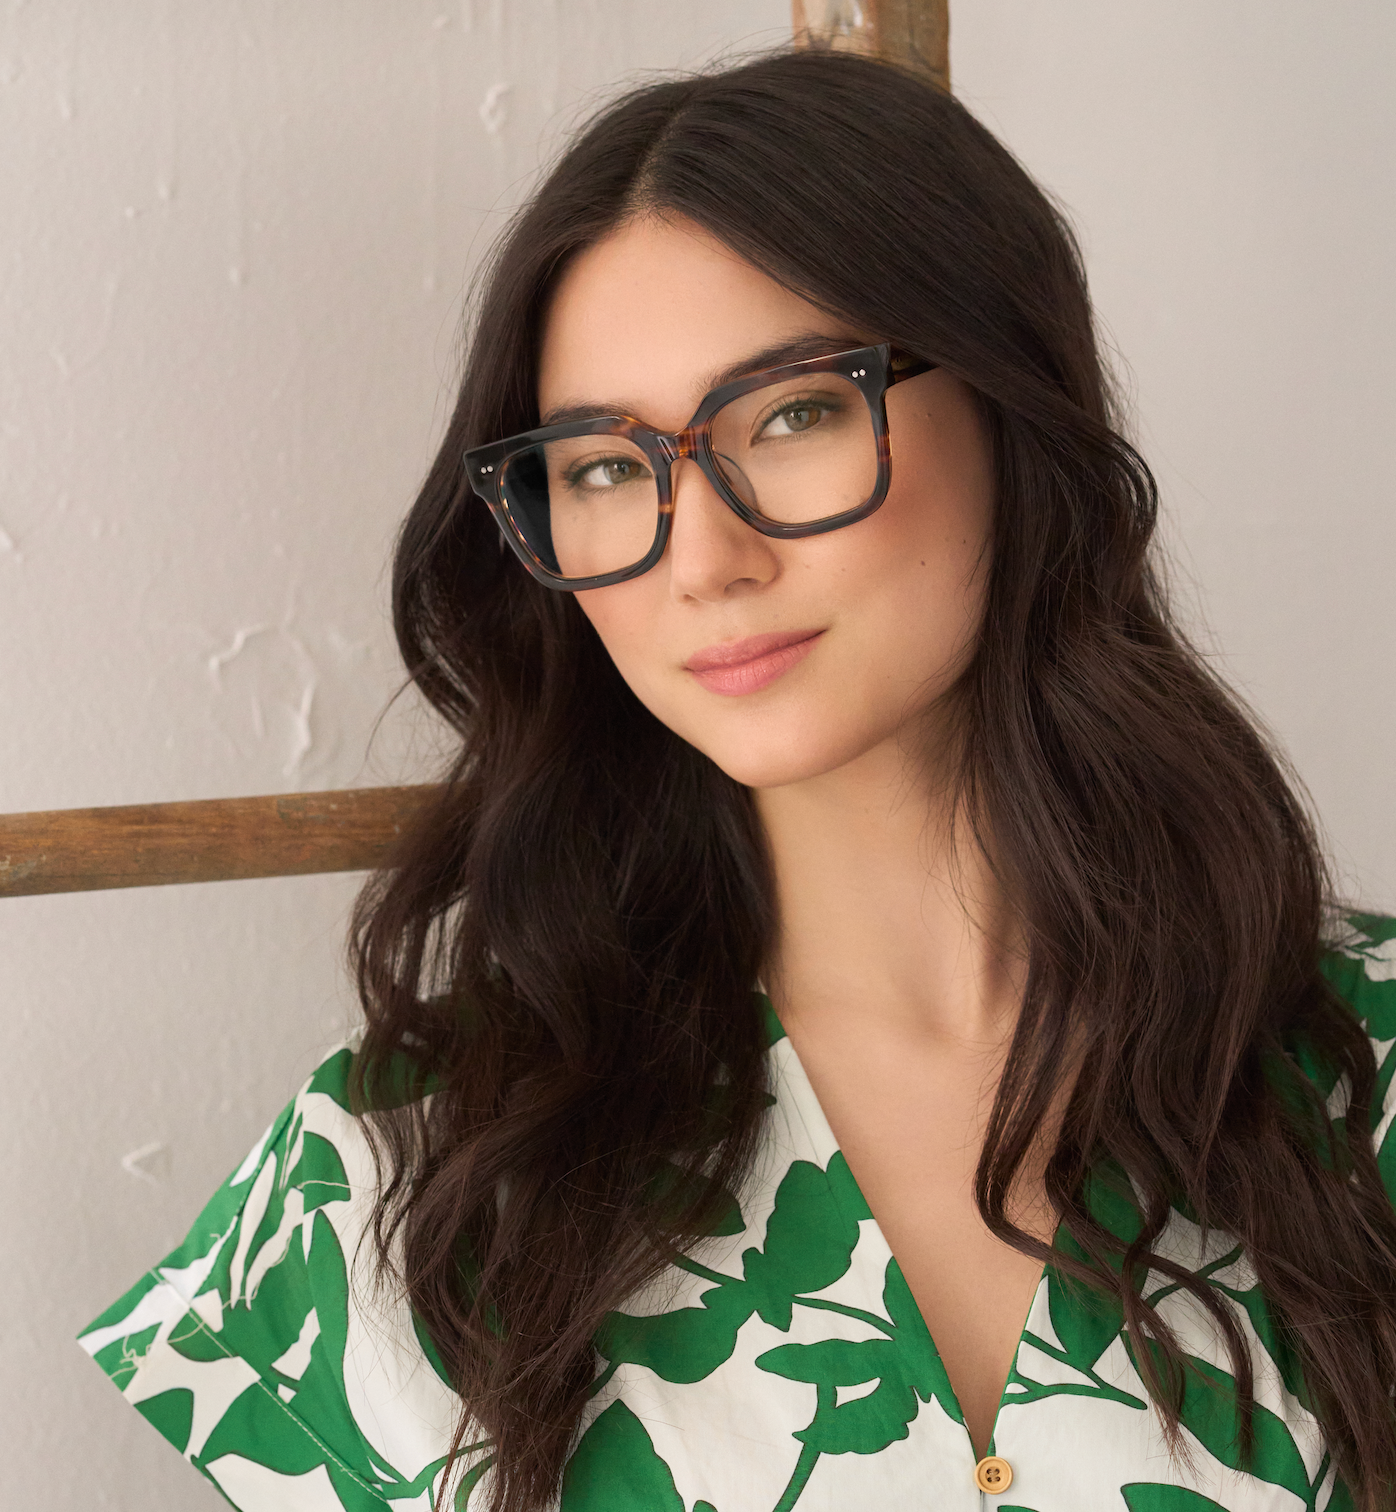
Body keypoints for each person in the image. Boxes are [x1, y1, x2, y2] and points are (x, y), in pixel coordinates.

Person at [78, 47, 1396, 1512]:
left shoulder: (1365, 1076)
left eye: (791, 415)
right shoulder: (393, 1186)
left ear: (1016, 406)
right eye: (600, 467)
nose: (704, 557)